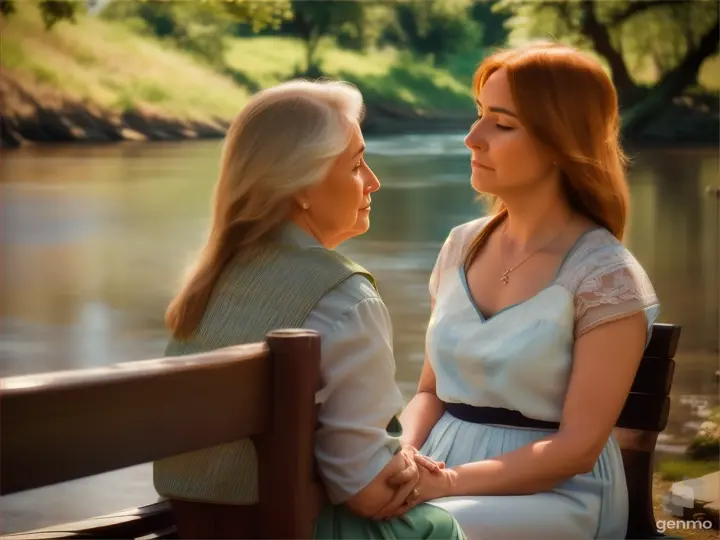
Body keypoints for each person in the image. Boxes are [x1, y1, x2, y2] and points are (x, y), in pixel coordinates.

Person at [152, 79, 465, 540]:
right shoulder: (344, 298)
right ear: (302, 184)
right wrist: (411, 468)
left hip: (196, 529)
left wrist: (389, 456)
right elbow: (370, 492)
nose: (374, 181)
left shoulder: (208, 285)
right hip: (295, 530)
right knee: (441, 527)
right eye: (357, 165)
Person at [388, 43, 661, 539]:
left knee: (413, 532)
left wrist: (445, 483)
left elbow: (577, 450)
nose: (472, 138)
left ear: (560, 143)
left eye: (502, 123)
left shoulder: (605, 276)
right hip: (439, 476)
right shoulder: (460, 246)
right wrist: (402, 455)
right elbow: (430, 391)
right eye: (478, 116)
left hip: (556, 497)